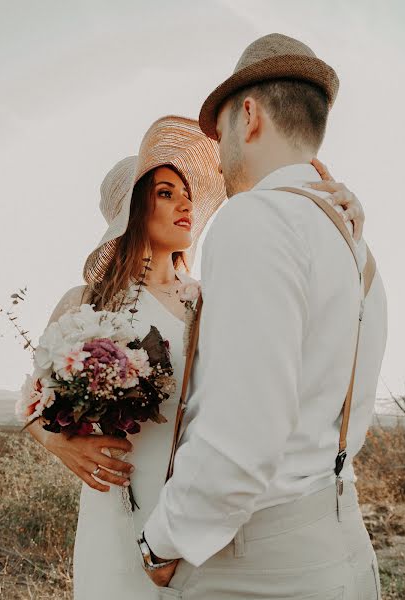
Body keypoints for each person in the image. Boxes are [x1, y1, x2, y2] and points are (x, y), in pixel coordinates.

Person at [29, 116, 364, 598]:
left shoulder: (211, 297)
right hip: (113, 501)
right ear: (133, 210)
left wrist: (335, 210)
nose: (186, 202)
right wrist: (59, 444)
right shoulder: (87, 303)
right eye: (166, 193)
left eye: (186, 192)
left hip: (191, 506)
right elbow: (34, 400)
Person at [141, 35, 387, 600]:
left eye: (220, 130)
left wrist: (162, 539)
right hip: (341, 541)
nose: (219, 151)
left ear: (248, 115)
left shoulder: (254, 219)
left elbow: (242, 437)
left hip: (257, 563)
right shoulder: (355, 244)